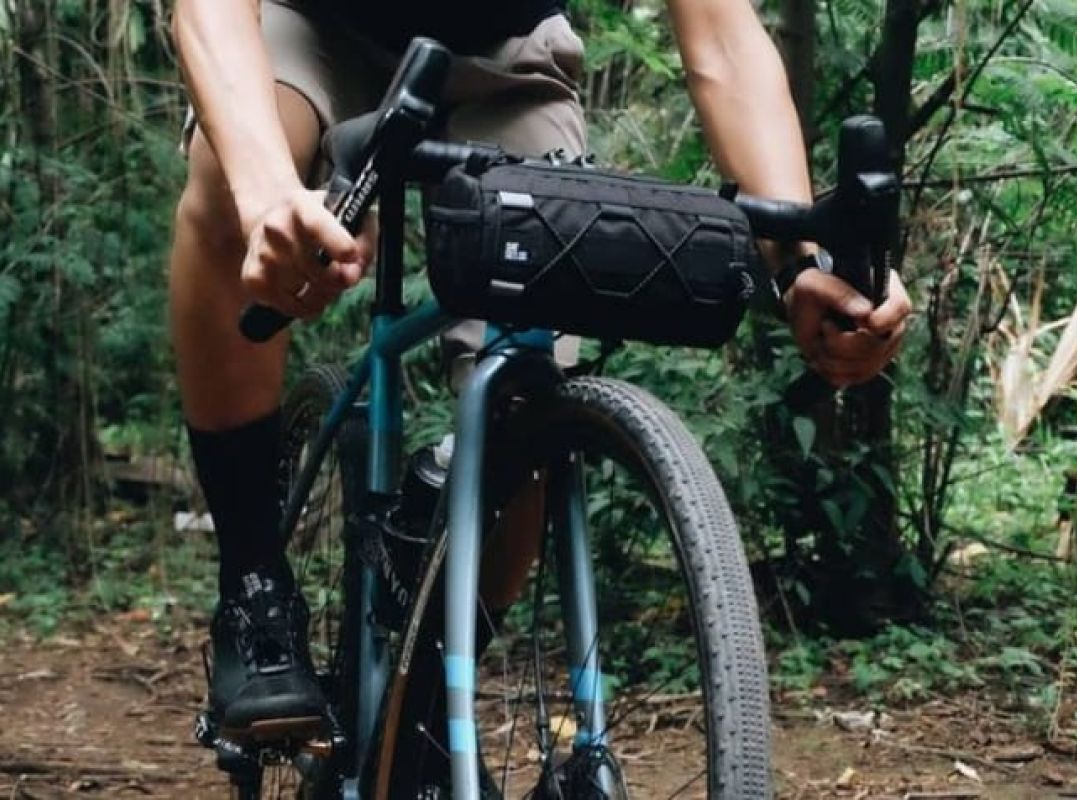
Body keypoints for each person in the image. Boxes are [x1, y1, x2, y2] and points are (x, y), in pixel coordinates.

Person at [170, 0, 912, 748]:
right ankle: (254, 584)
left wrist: (800, 264)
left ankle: (416, 725)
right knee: (227, 194)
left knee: (525, 399)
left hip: (504, 51)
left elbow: (721, 36)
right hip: (315, 24)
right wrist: (265, 196)